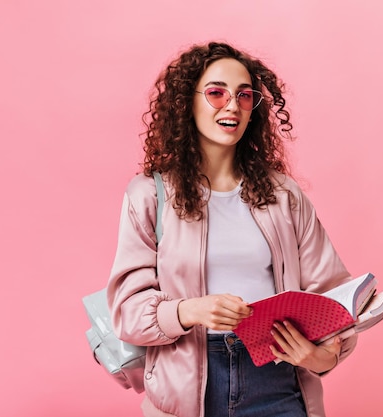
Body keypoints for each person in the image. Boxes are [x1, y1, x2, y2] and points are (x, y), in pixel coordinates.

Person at [107, 41, 358, 417]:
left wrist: (321, 356)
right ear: (185, 103)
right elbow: (127, 311)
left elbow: (333, 297)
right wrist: (190, 310)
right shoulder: (149, 195)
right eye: (215, 93)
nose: (232, 106)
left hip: (277, 378)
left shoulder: (283, 195)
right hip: (186, 392)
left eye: (244, 96)